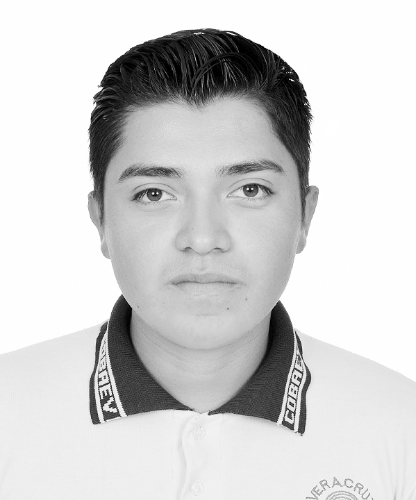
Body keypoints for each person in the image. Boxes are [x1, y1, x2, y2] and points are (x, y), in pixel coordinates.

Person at [0, 28, 415, 500]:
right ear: (101, 220)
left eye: (250, 190)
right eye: (153, 193)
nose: (202, 239)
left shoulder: (401, 427)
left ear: (305, 216)